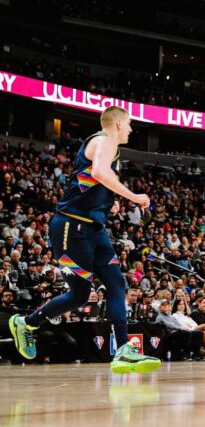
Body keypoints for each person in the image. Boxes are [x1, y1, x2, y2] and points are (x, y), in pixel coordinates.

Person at [9, 106, 161, 374]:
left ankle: (124, 350)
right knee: (79, 294)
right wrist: (134, 197)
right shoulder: (103, 141)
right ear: (117, 124)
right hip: (70, 227)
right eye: (129, 124)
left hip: (94, 229)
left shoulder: (110, 150)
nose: (131, 129)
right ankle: (26, 322)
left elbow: (101, 177)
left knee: (117, 282)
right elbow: (101, 172)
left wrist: (109, 201)